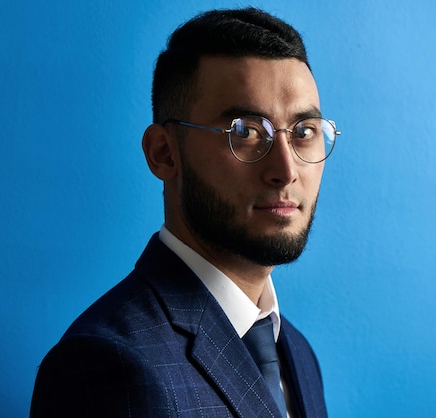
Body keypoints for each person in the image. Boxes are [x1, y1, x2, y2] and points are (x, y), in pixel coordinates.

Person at [30, 7, 339, 418]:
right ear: (163, 153)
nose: (285, 171)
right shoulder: (108, 362)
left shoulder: (298, 353)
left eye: (304, 132)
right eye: (245, 132)